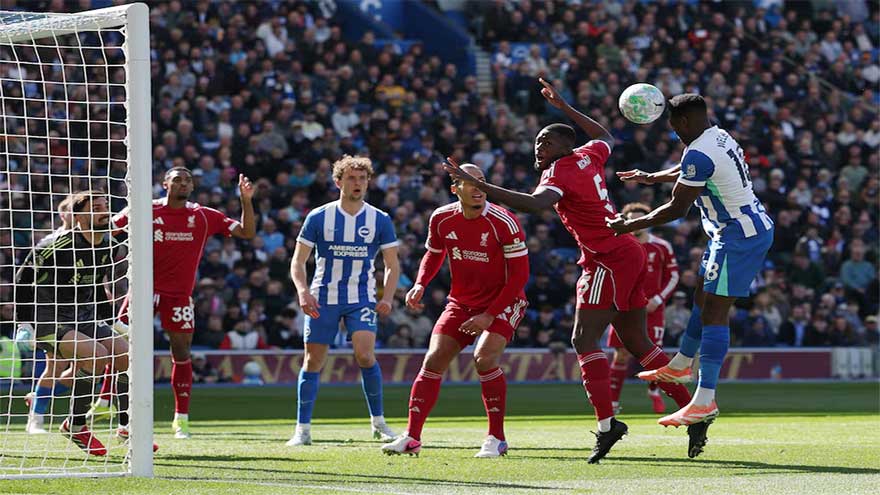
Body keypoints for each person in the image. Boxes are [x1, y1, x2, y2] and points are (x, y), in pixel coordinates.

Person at [444, 79, 692, 463]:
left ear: (563, 147)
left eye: (545, 142)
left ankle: (609, 425)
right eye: (537, 142)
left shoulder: (560, 171)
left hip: (607, 256)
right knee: (638, 343)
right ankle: (693, 412)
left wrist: (481, 185)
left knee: (583, 339)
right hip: (623, 253)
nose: (537, 147)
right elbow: (604, 134)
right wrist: (563, 105)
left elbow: (535, 205)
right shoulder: (590, 155)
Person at [609, 94, 774, 447]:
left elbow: (676, 208)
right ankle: (682, 363)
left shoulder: (699, 152)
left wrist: (627, 227)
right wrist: (652, 177)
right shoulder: (716, 136)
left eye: (671, 123)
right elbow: (689, 170)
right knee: (701, 292)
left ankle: (704, 400)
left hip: (739, 236)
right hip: (728, 231)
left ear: (682, 122)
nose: (670, 129)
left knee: (715, 311)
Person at [381, 164, 529, 458]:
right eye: (470, 182)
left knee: (484, 359)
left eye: (482, 182)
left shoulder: (504, 221)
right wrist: (421, 284)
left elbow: (519, 277)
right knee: (433, 359)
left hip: (504, 301)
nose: (478, 188)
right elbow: (434, 254)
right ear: (454, 189)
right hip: (461, 303)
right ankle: (412, 437)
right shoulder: (441, 218)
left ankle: (496, 438)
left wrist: (489, 314)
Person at [108, 167, 255, 439]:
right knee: (118, 345)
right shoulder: (143, 209)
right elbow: (107, 231)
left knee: (181, 352)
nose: (184, 183)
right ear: (165, 184)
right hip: (142, 291)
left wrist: (246, 200)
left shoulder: (202, 215)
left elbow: (246, 232)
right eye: (177, 179)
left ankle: (181, 419)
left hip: (178, 296)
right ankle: (105, 401)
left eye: (188, 180)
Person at [287, 155, 400, 446]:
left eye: (362, 178)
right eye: (351, 178)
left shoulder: (379, 219)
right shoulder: (319, 216)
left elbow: (391, 264)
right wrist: (302, 291)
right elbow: (298, 261)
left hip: (360, 298)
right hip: (323, 296)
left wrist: (386, 297)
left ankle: (378, 423)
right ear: (338, 182)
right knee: (313, 361)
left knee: (365, 355)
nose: (358, 183)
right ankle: (303, 430)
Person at [14, 191, 133, 455]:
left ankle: (127, 427)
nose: (105, 211)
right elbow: (22, 280)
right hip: (50, 319)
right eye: (97, 207)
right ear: (78, 216)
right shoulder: (55, 245)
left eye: (106, 206)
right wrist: (24, 324)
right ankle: (75, 425)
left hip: (85, 318)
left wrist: (112, 321)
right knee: (96, 356)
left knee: (125, 355)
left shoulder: (107, 246)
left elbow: (98, 287)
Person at [606, 203, 680, 415]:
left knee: (653, 354)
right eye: (632, 219)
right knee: (621, 354)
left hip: (652, 309)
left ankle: (654, 392)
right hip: (624, 308)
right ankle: (612, 403)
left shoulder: (662, 246)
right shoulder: (619, 243)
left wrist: (658, 299)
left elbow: (673, 276)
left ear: (648, 222)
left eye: (641, 220)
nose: (637, 225)